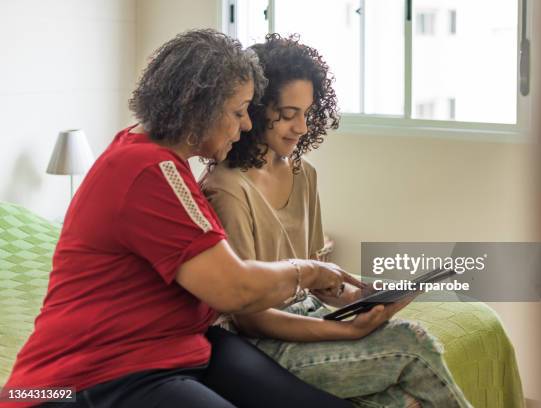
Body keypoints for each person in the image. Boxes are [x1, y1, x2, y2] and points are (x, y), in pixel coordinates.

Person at [1, 30, 359, 408]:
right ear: (200, 106)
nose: (247, 125)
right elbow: (233, 289)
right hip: (91, 375)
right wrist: (310, 272)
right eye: (238, 112)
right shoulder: (145, 170)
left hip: (185, 349)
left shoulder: (162, 162)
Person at [203, 34, 473, 408]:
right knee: (415, 347)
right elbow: (250, 317)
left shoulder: (304, 174)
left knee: (409, 393)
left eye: (307, 113)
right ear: (258, 107)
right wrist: (341, 332)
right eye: (288, 113)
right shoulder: (228, 188)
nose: (300, 127)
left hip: (310, 319)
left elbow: (318, 281)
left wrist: (364, 296)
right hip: (266, 346)